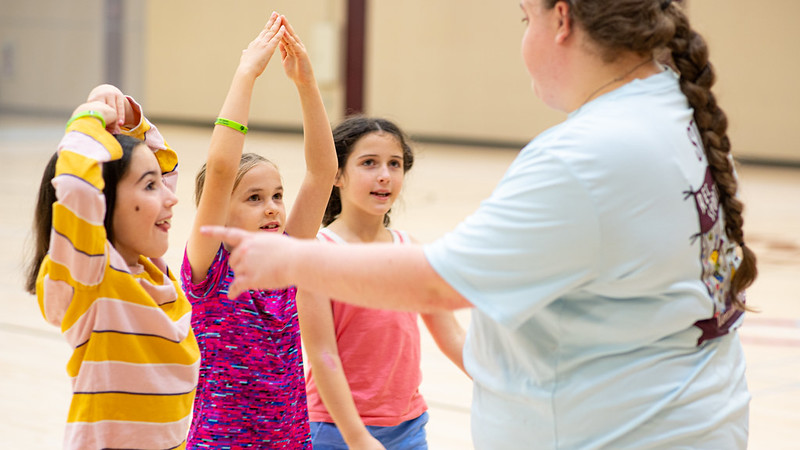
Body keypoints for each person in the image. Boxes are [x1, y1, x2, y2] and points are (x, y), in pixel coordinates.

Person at [202, 0, 758, 448]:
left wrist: (295, 260)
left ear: (560, 19)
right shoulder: (677, 118)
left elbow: (436, 284)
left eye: (524, 18)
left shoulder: (584, 156)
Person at [180, 12, 336, 448]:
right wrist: (247, 73)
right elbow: (223, 166)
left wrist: (306, 84)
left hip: (290, 439)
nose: (272, 208)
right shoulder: (208, 271)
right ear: (219, 214)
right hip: (222, 441)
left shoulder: (287, 257)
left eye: (277, 196)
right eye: (253, 198)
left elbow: (323, 171)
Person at [25, 84, 200, 449]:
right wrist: (88, 117)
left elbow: (162, 166)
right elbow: (76, 188)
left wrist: (131, 120)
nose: (171, 196)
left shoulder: (151, 270)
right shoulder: (94, 275)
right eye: (150, 187)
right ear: (103, 205)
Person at [299, 117, 467, 449]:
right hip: (335, 428)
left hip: (408, 426)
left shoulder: (411, 250)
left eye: (395, 164)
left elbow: (452, 336)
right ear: (337, 174)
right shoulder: (318, 254)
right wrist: (356, 436)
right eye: (368, 163)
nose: (384, 175)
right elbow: (322, 355)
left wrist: (504, 380)